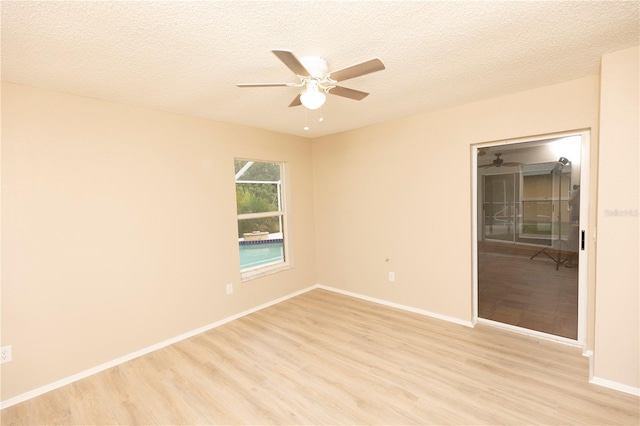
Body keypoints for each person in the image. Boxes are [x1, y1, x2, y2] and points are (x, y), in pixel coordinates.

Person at [565, 185, 580, 267]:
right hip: (575, 220)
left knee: (583, 241)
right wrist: (578, 193)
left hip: (584, 220)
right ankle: (569, 262)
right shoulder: (576, 192)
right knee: (571, 240)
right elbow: (570, 203)